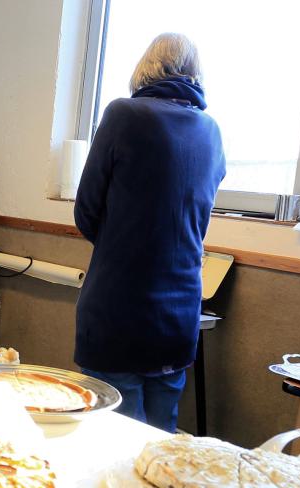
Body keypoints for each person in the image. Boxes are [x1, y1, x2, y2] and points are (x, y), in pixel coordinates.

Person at [72, 33, 226, 432]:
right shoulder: (211, 132)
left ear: (146, 67)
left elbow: (86, 211)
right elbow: (195, 218)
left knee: (115, 440)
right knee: (161, 441)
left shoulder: (124, 114)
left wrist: (120, 245)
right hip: (178, 315)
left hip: (119, 307)